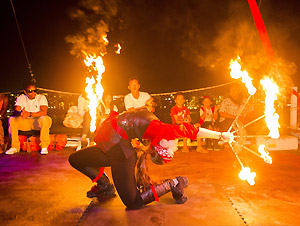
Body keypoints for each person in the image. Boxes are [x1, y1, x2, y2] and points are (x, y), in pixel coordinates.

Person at [69, 107, 233, 210]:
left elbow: (192, 131)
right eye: (174, 147)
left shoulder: (159, 131)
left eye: (173, 148)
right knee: (75, 159)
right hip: (110, 144)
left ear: (162, 144)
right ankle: (105, 185)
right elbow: (193, 131)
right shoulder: (159, 129)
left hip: (120, 152)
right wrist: (220, 135)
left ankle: (174, 183)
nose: (175, 145)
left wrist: (220, 135)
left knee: (133, 203)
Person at [5, 81, 52, 155]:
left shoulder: (41, 98)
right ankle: (14, 147)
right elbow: (17, 109)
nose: (33, 93)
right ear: (25, 92)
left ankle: (44, 146)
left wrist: (29, 114)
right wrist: (21, 113)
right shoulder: (21, 98)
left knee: (45, 118)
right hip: (25, 121)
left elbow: (43, 112)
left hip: (37, 122)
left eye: (35, 91)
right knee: (12, 119)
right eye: (30, 91)